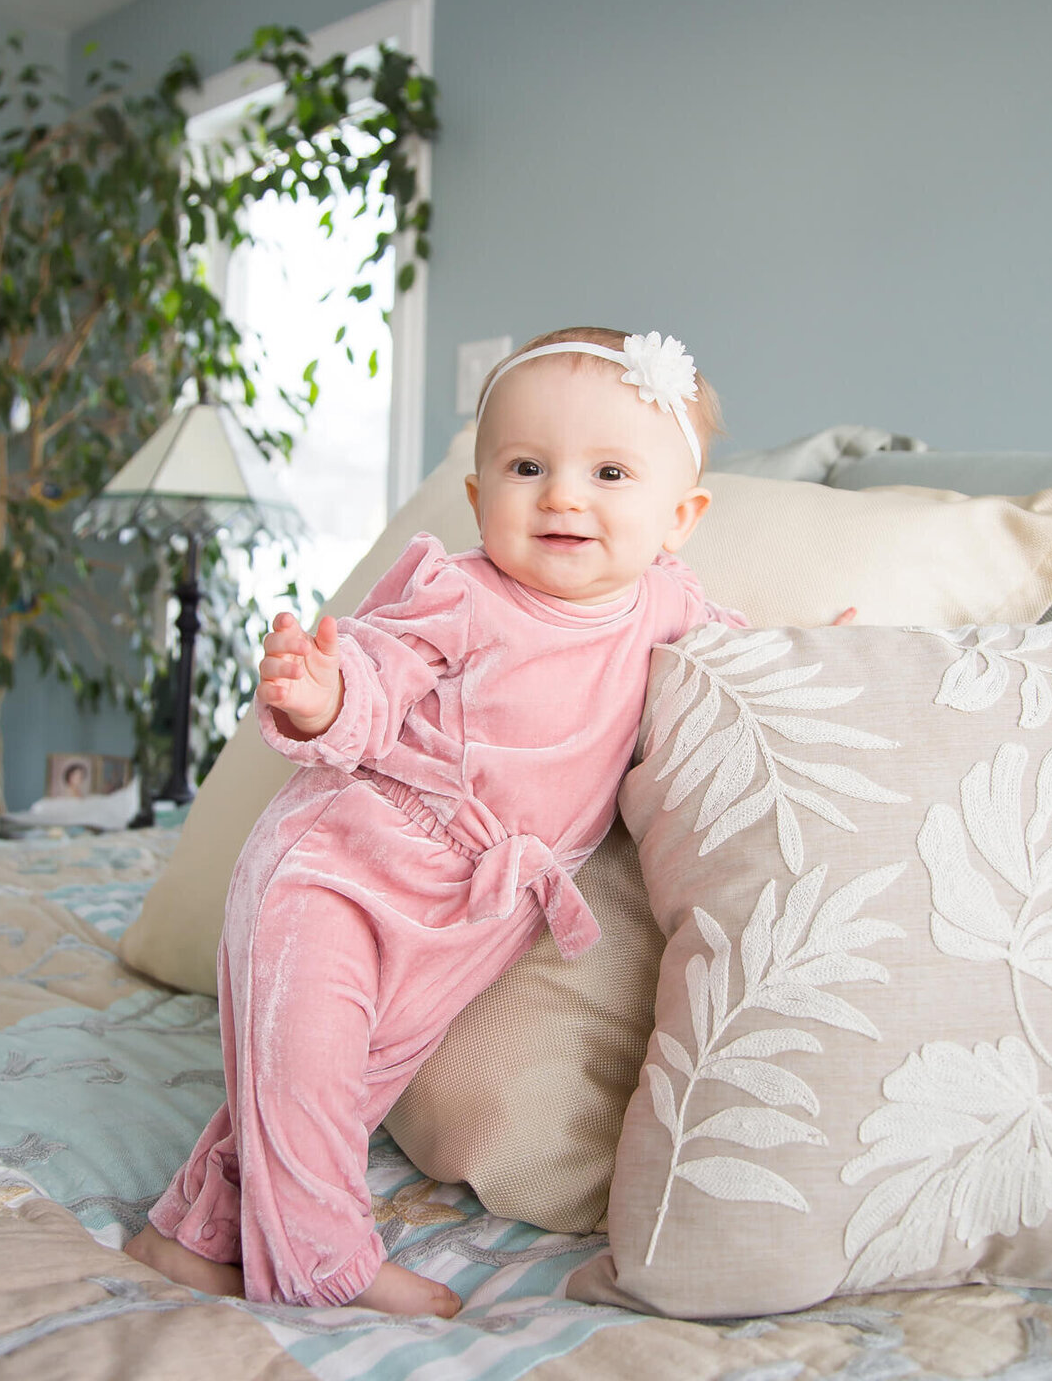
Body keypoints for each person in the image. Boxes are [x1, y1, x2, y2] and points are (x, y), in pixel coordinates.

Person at [126, 326, 748, 1318]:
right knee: (307, 1063)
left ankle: (192, 1239)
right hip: (342, 863)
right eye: (526, 466)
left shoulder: (668, 607)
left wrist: (814, 661)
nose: (563, 495)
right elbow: (378, 671)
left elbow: (740, 669)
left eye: (610, 471)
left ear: (680, 515)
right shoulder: (458, 591)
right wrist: (327, 695)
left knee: (337, 1086)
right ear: (477, 495)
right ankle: (327, 1270)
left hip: (473, 913)